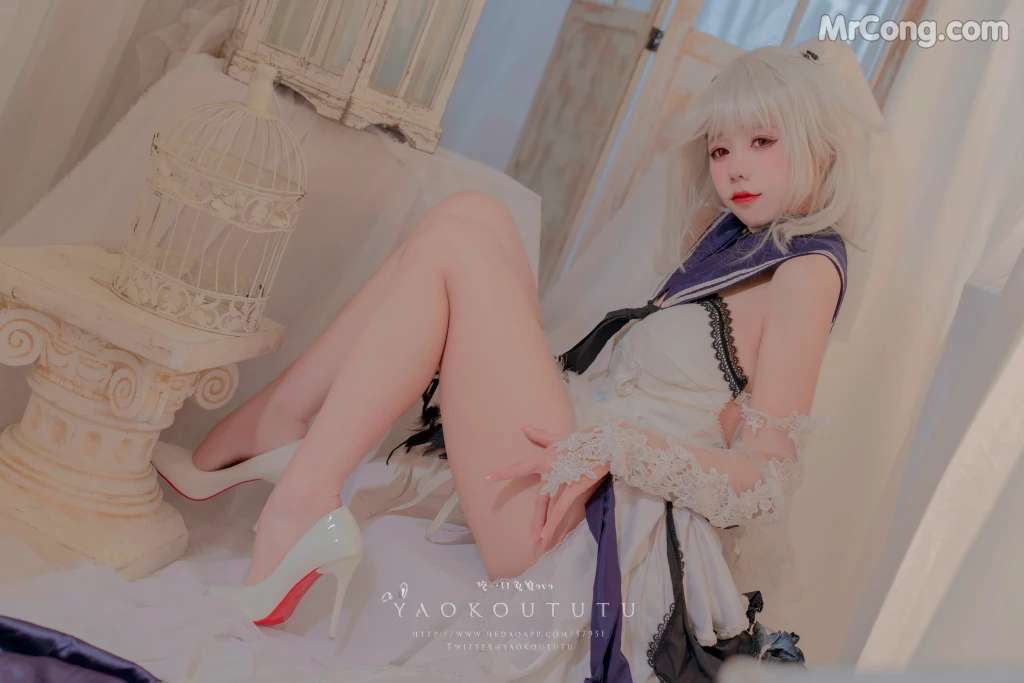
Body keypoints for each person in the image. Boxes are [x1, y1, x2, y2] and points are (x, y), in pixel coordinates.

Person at [154, 37, 886, 681]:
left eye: (762, 141)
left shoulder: (807, 272)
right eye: (721, 149)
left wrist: (618, 446)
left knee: (465, 227)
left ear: (817, 148)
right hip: (574, 468)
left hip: (597, 527)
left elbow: (766, 479)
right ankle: (283, 432)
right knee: (470, 219)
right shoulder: (733, 245)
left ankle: (293, 469)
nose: (734, 168)